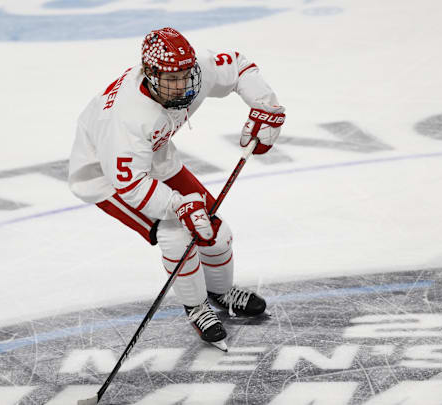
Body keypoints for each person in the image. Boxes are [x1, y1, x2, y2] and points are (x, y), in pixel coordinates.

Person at [68, 27, 285, 351]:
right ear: (151, 74)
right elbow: (130, 185)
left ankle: (220, 292)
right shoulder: (128, 119)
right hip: (106, 177)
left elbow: (239, 66)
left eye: (188, 74)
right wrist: (180, 206)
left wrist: (266, 106)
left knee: (214, 231)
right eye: (173, 78)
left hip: (155, 158)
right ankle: (196, 307)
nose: (184, 84)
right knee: (176, 235)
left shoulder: (189, 70)